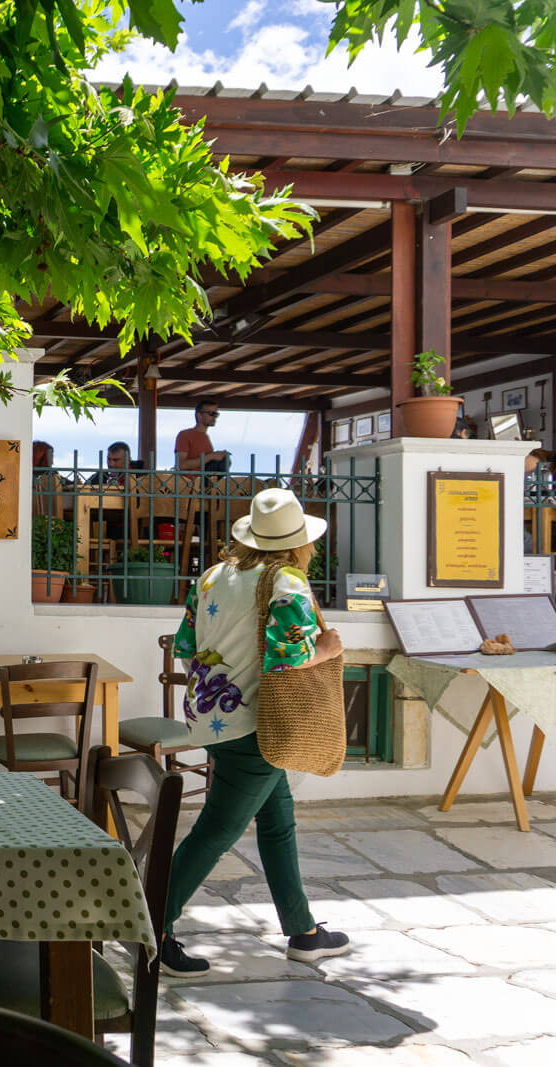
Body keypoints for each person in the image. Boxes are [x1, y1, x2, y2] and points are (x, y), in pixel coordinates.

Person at [160, 487, 351, 977]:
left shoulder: (212, 576)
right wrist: (328, 649)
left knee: (277, 820)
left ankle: (304, 932)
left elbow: (187, 643)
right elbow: (288, 657)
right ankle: (151, 926)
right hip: (258, 722)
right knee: (217, 829)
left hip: (214, 714)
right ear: (298, 542)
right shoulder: (286, 580)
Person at [176, 401, 229, 472]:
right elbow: (182, 464)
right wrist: (212, 456)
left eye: (216, 414)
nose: (214, 417)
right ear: (199, 415)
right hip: (190, 481)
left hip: (205, 481)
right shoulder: (185, 435)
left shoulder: (205, 437)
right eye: (211, 414)